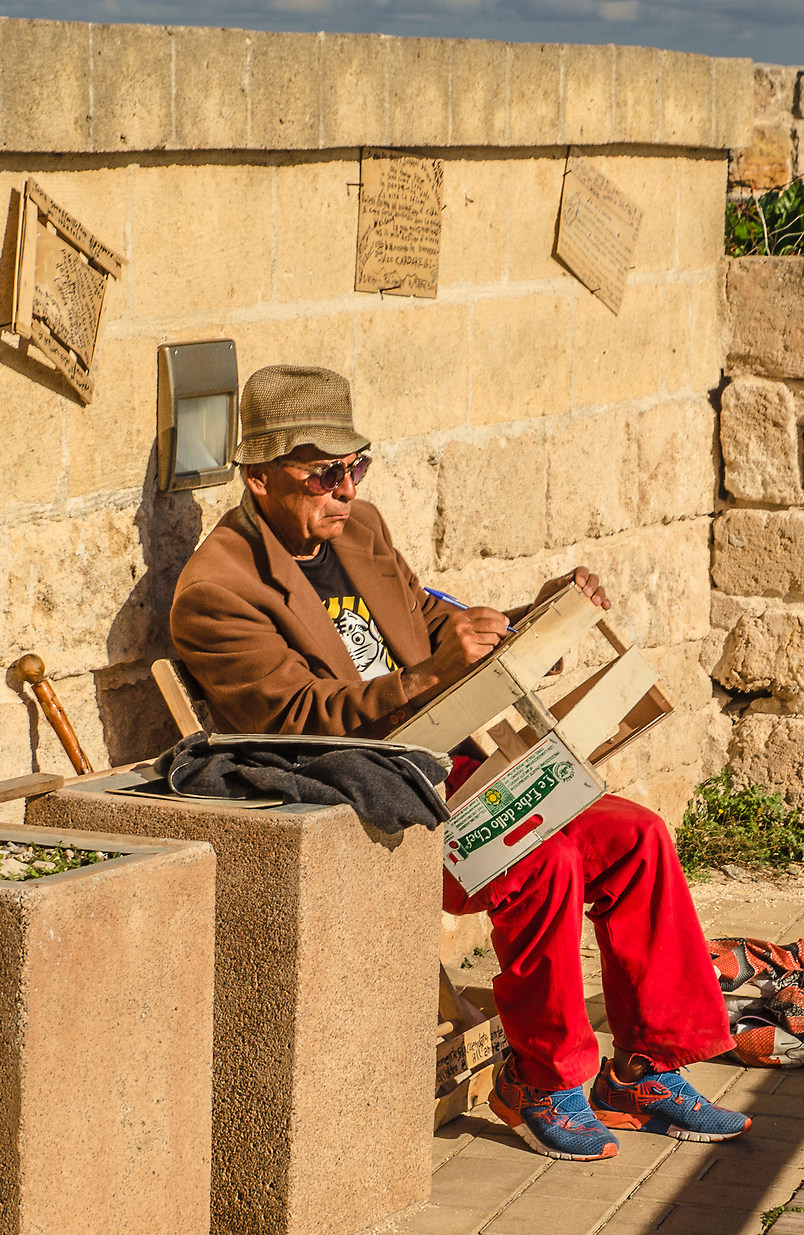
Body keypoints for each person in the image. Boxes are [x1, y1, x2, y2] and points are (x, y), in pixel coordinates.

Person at [170, 365, 749, 1163]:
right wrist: (426, 677)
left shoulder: (359, 530)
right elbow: (298, 720)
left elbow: (428, 617)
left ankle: (645, 1068)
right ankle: (540, 1080)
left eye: (355, 466)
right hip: (373, 798)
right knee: (539, 857)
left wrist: (528, 618)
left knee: (636, 837)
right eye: (323, 475)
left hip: (457, 760)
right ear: (260, 477)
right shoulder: (218, 590)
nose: (346, 490)